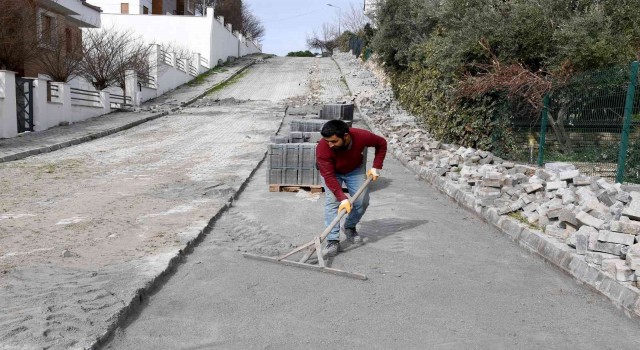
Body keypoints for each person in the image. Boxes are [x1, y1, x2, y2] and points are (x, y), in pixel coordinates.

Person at [316, 120, 388, 257]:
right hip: (333, 172)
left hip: (354, 169)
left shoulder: (361, 136)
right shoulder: (322, 148)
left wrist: (376, 166)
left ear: (346, 136)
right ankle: (332, 240)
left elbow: (381, 143)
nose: (330, 145)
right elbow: (328, 176)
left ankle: (349, 226)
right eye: (327, 141)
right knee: (333, 203)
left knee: (362, 201)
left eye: (334, 141)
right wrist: (342, 198)